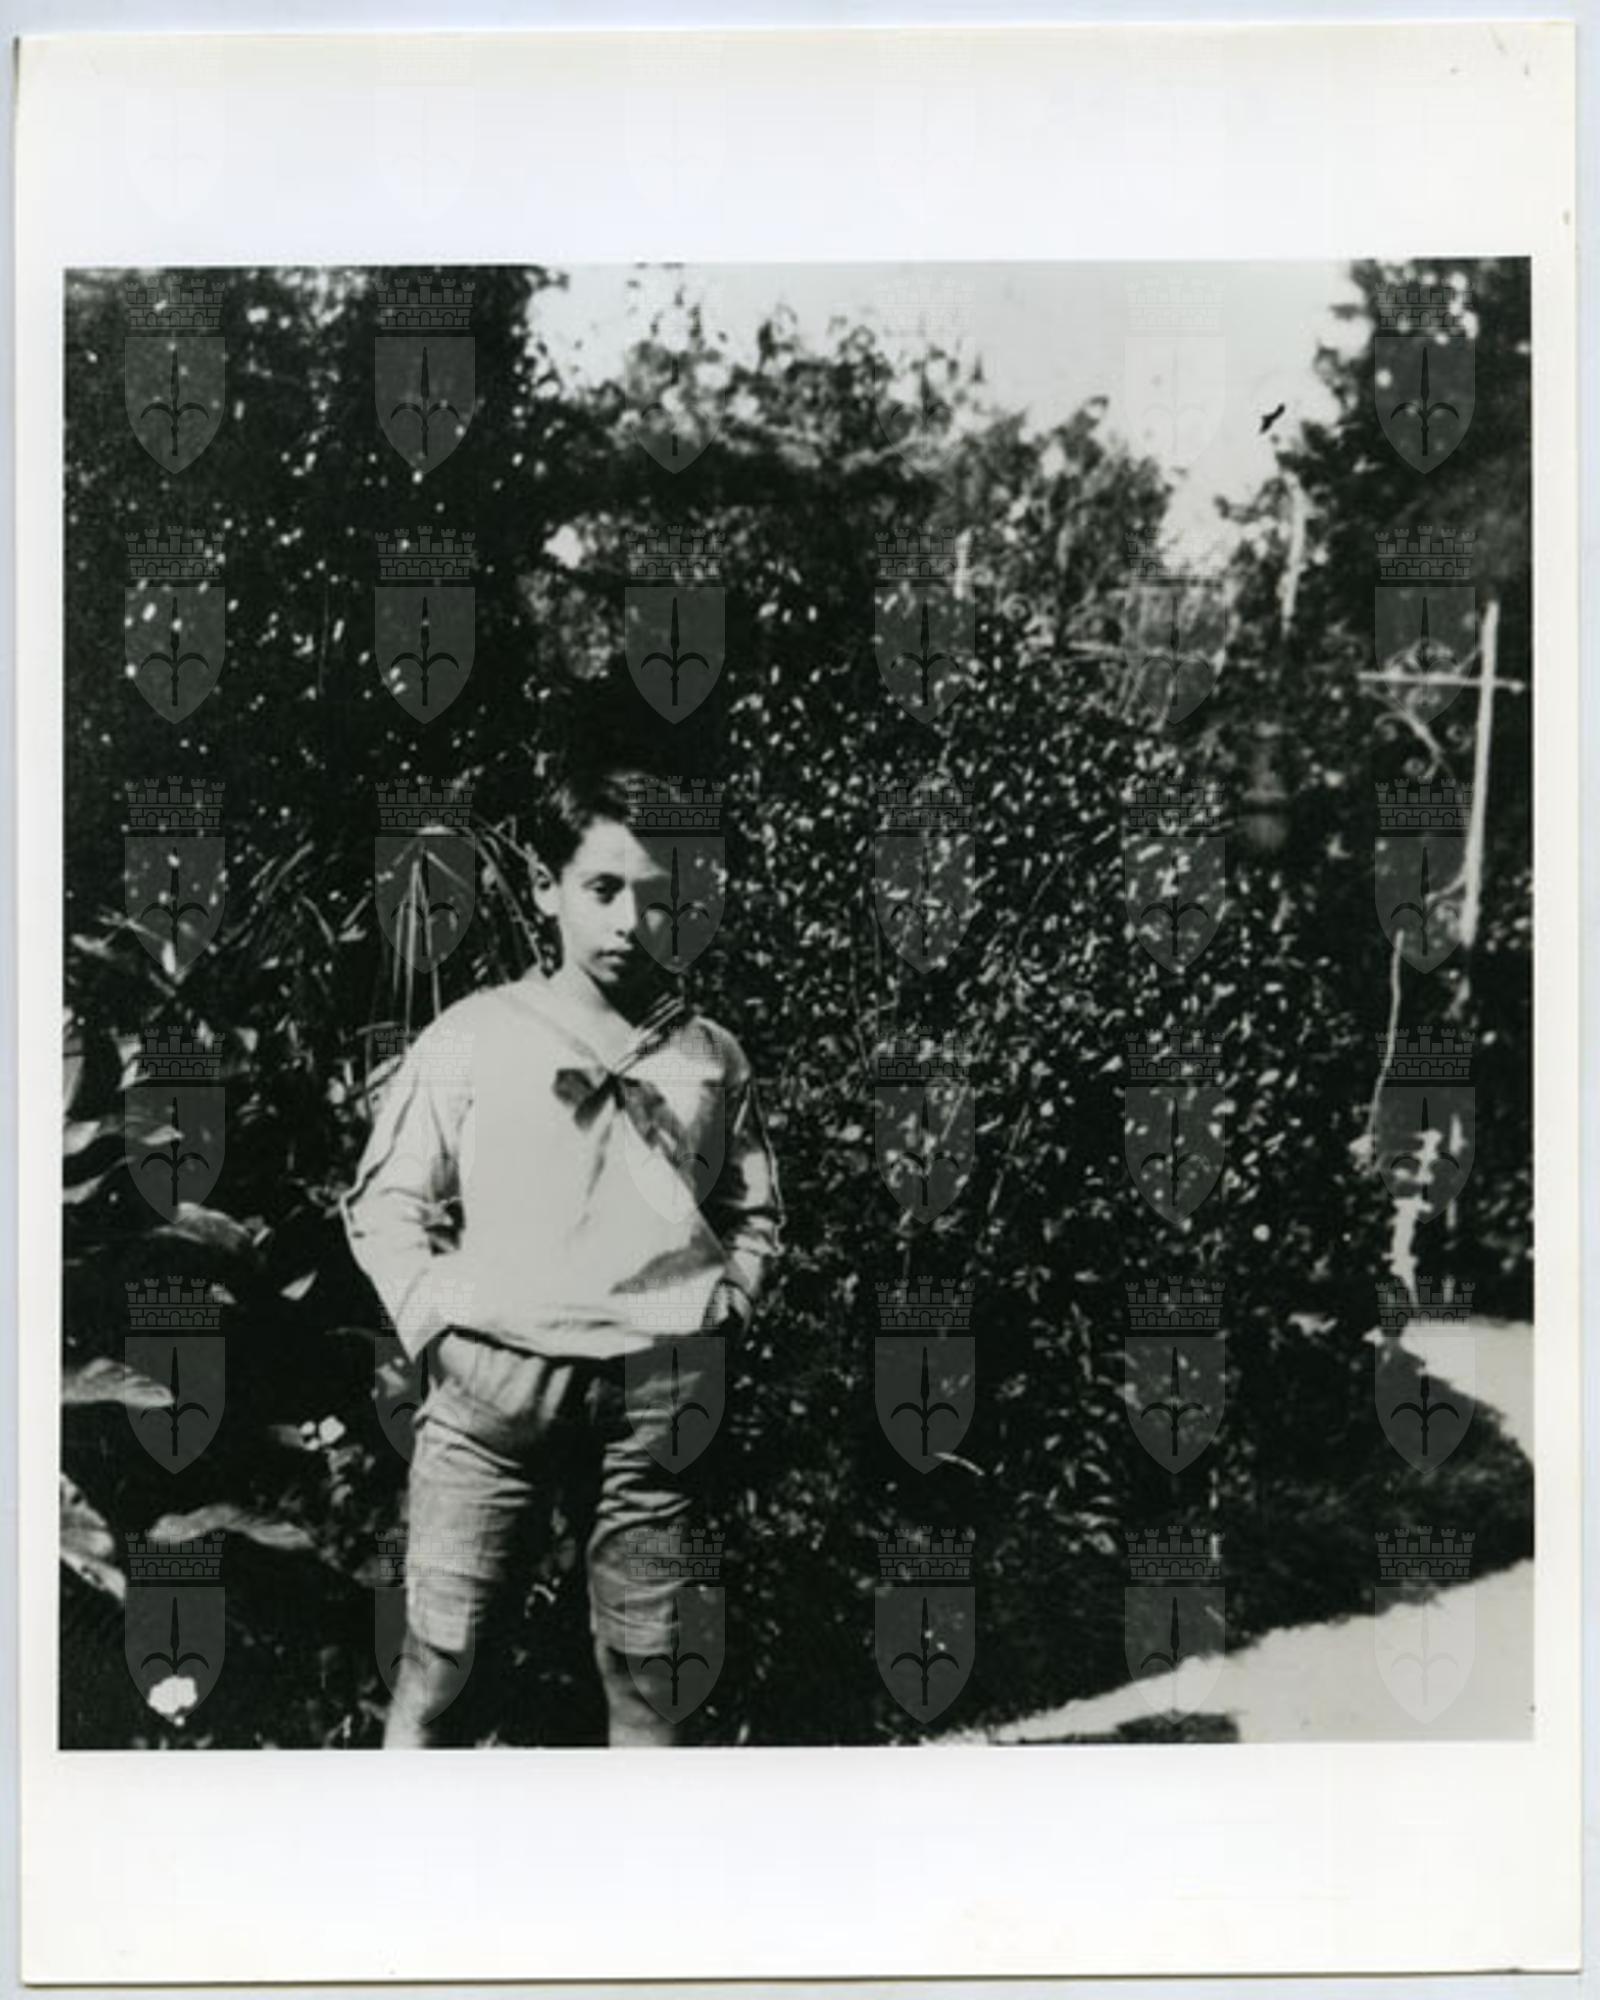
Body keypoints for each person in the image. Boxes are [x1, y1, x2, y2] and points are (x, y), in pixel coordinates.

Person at [342, 763, 782, 1746]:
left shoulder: (708, 1053)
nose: (630, 921)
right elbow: (386, 1198)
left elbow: (752, 1208)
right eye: (603, 889)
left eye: (654, 896)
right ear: (546, 888)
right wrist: (440, 1326)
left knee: (649, 1673)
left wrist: (730, 1304)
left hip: (660, 1395)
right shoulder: (475, 1033)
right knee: (443, 1660)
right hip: (496, 1384)